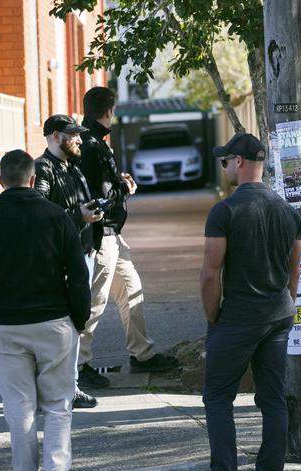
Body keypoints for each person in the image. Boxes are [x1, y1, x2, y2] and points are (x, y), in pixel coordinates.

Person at [0, 149, 90, 471]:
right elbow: (77, 275)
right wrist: (79, 320)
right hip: (54, 324)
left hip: (3, 328)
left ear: (1, 182)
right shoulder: (57, 216)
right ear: (33, 180)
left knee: (19, 412)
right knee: (59, 405)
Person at [196, 133, 301, 471]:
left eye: (225, 160)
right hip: (278, 314)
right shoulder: (288, 211)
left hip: (239, 317)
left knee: (217, 396)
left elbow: (211, 274)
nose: (224, 166)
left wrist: (213, 317)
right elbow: (294, 270)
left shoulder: (224, 211)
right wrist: (283, 303)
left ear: (239, 162)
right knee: (273, 398)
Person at [76, 87, 176, 389]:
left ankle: (142, 354)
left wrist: (118, 181)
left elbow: (102, 184)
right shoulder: (91, 145)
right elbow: (101, 195)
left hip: (113, 236)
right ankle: (79, 367)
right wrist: (124, 189)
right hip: (101, 237)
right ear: (109, 111)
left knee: (132, 289)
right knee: (95, 302)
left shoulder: (92, 142)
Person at [34, 114, 103, 409]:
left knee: (76, 324)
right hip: (60, 261)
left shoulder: (73, 167)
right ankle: (63, 388)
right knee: (62, 327)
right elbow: (40, 215)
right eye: (72, 134)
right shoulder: (43, 168)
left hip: (81, 255)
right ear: (55, 136)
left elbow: (78, 205)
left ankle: (68, 385)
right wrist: (79, 216)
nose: (78, 139)